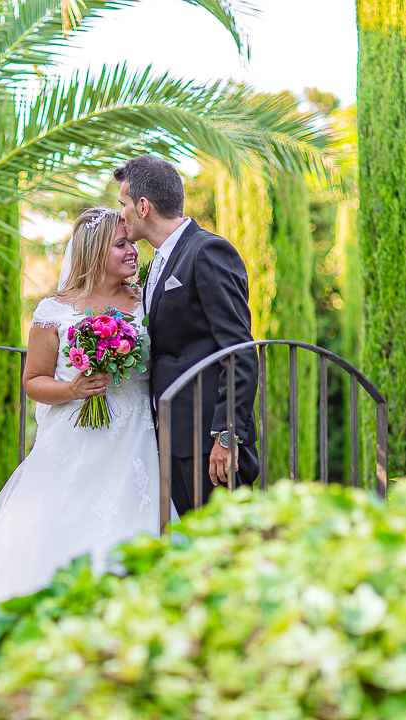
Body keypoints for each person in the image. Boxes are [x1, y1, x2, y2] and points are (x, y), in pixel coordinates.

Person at [0, 207, 172, 621]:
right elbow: (33, 380)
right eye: (121, 245)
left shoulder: (147, 303)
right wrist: (73, 389)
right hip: (75, 442)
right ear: (94, 251)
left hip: (138, 444)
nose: (132, 252)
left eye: (132, 244)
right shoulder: (54, 311)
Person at [115, 155, 260, 516]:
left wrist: (226, 437)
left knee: (227, 554)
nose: (122, 215)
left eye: (124, 205)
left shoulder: (207, 251)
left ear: (144, 207)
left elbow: (239, 350)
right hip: (171, 436)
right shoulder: (159, 261)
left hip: (209, 443)